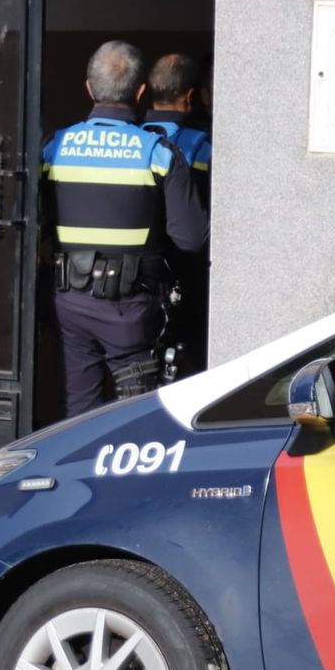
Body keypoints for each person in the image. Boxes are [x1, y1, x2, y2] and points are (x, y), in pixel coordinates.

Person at [42, 41, 208, 417]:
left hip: (70, 300)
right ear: (139, 91)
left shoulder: (55, 146)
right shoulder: (158, 152)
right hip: (131, 307)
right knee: (133, 417)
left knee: (78, 411)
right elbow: (191, 237)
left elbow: (37, 220)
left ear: (88, 88)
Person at [143, 53, 213, 374]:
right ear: (191, 96)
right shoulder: (204, 145)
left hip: (139, 275)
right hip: (189, 271)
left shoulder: (134, 139)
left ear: (145, 92)